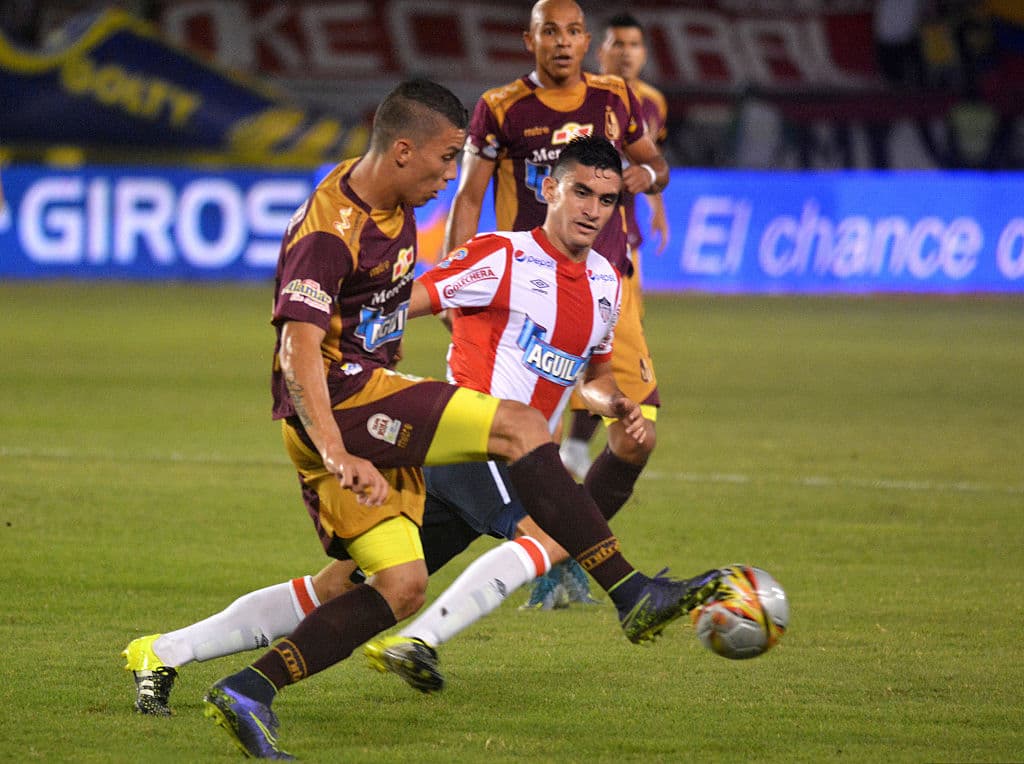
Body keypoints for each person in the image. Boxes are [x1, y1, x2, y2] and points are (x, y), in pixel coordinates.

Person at [183, 77, 715, 759]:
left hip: (384, 401)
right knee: (527, 450)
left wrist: (615, 404)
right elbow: (301, 345)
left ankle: (241, 687)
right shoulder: (344, 230)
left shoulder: (395, 201)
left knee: (396, 586)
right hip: (352, 400)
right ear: (403, 150)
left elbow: (586, 372)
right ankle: (632, 594)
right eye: (446, 159)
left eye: (608, 200)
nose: (454, 175)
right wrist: (337, 451)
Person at [444, 0, 669, 609]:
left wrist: (642, 181)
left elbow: (657, 167)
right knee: (511, 434)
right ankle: (552, 549)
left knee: (636, 435)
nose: (562, 43)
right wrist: (452, 277)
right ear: (530, 40)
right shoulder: (500, 108)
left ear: (585, 40)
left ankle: (559, 547)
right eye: (550, 32)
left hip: (605, 286)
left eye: (573, 32)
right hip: (525, 293)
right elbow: (468, 198)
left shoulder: (616, 98)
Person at [560, 11, 671, 482]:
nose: (626, 52)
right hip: (573, 244)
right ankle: (561, 442)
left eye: (635, 44)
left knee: (606, 343)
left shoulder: (651, 102)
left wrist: (656, 204)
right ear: (599, 48)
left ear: (644, 53)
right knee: (571, 344)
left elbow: (651, 164)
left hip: (621, 244)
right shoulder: (585, 97)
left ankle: (575, 445)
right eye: (618, 43)